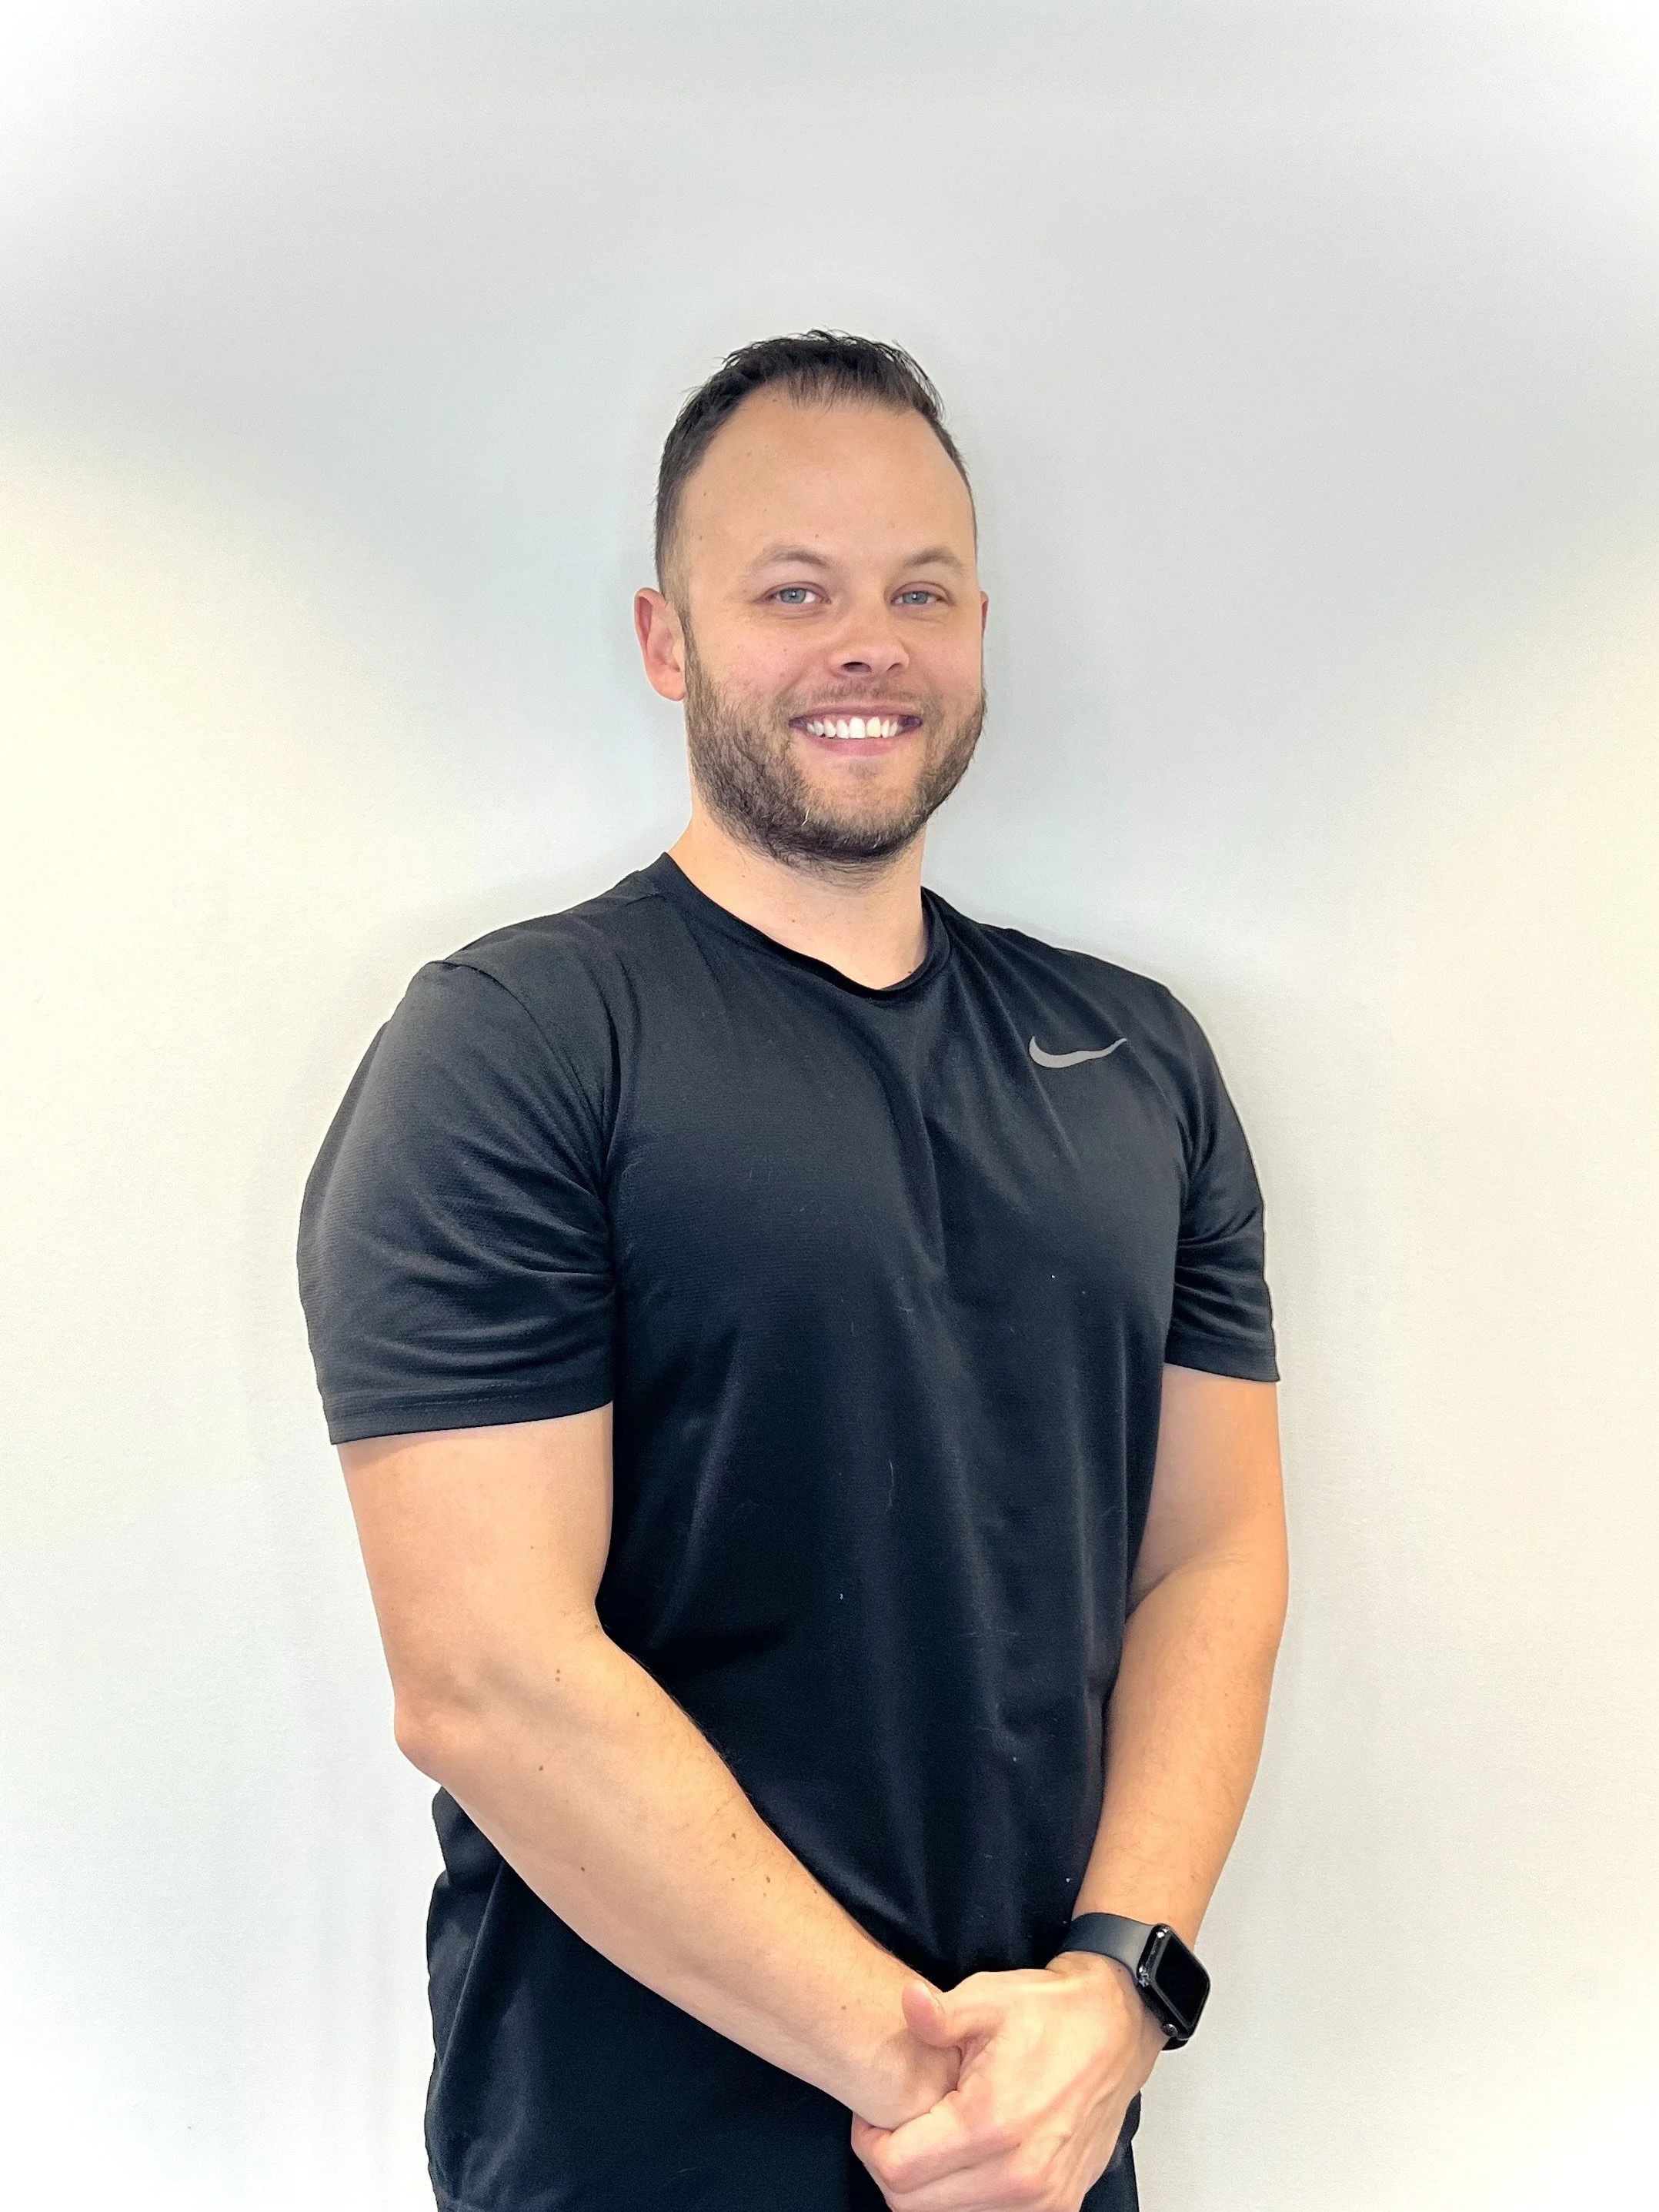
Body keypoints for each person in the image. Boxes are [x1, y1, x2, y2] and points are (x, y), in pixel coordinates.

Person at [297, 331, 1288, 2212]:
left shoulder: (1141, 1061)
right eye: (793, 591)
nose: (868, 645)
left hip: (1049, 2125)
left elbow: (1211, 1558)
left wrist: (1119, 1990)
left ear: (979, 628)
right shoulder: (518, 1046)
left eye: (920, 591)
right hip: (641, 2149)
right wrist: (933, 2085)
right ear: (666, 639)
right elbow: (487, 1674)